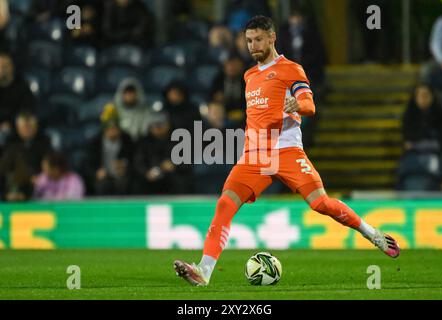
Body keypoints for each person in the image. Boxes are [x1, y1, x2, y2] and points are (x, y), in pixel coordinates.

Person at [174, 16, 400, 287]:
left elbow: (309, 104)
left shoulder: (291, 69)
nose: (253, 45)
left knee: (320, 203)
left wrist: (298, 105)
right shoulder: (248, 76)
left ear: (272, 38)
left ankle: (371, 233)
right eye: (248, 40)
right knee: (224, 205)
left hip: (287, 151)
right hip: (256, 155)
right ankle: (204, 271)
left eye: (258, 39)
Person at [0, 112, 52, 201]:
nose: (27, 130)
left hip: (39, 182)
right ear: (18, 127)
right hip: (14, 183)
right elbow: (4, 168)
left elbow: (50, 164)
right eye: (24, 127)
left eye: (30, 127)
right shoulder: (10, 144)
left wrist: (39, 177)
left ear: (36, 127)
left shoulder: (44, 142)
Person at [86, 104, 134, 196]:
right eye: (110, 129)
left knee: (126, 183)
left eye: (115, 129)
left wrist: (124, 165)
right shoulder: (95, 142)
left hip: (121, 175)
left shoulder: (127, 140)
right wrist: (96, 172)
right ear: (104, 130)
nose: (113, 131)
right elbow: (88, 164)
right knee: (102, 185)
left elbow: (133, 158)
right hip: (103, 176)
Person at [0, 52, 36, 143]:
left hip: (14, 130)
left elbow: (27, 111)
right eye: (0, 66)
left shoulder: (22, 87)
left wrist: (10, 124)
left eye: (5, 66)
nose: (2, 69)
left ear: (12, 67)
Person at [104, 78, 153, 142]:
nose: (129, 96)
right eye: (126, 93)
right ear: (121, 94)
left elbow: (145, 132)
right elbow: (109, 132)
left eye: (132, 93)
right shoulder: (112, 111)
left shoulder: (146, 111)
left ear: (138, 94)